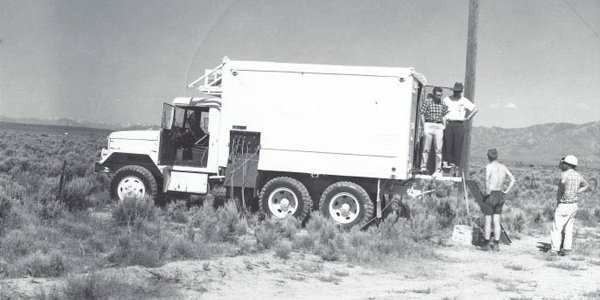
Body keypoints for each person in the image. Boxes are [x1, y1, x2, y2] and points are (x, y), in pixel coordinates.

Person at [550, 155, 589, 256]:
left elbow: (563, 182)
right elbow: (586, 185)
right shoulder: (577, 175)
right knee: (569, 227)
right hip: (573, 204)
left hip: (564, 205)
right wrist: (576, 192)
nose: (562, 165)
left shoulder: (564, 174)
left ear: (567, 164)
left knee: (557, 228)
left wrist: (564, 191)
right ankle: (567, 249)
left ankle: (554, 250)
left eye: (563, 163)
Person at [480, 148, 515, 251]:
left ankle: (486, 244)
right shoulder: (503, 167)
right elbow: (513, 179)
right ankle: (496, 244)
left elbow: (487, 179)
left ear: (488, 156)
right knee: (496, 221)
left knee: (487, 220)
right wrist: (506, 190)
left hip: (491, 194)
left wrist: (487, 192)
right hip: (500, 194)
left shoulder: (489, 166)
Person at [442, 82, 478, 172]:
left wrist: (468, 118)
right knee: (447, 143)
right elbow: (442, 112)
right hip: (449, 123)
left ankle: (456, 164)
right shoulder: (447, 100)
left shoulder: (464, 101)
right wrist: (444, 123)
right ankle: (446, 162)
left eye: (458, 91)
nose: (456, 93)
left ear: (461, 91)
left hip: (459, 124)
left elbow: (475, 109)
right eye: (455, 91)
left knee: (458, 144)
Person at [419, 87, 448, 176]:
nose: (439, 97)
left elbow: (444, 115)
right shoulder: (428, 102)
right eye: (438, 95)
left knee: (438, 149)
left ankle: (438, 169)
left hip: (439, 126)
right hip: (429, 124)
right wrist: (424, 125)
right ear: (434, 94)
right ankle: (423, 167)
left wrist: (444, 126)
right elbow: (422, 113)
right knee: (426, 148)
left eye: (441, 95)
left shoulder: (443, 103)